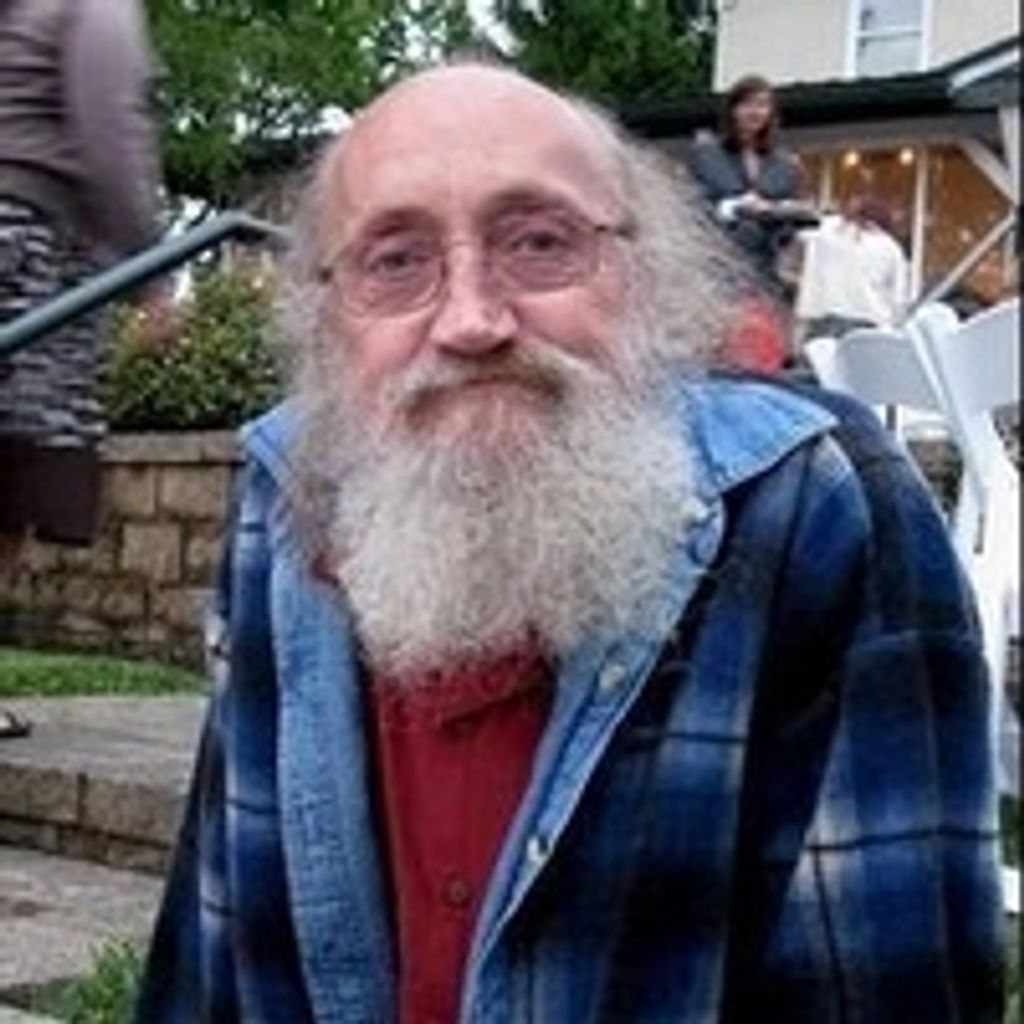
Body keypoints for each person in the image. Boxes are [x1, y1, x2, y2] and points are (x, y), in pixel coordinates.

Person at [136, 64, 1003, 1023]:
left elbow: (882, 988)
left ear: (645, 280)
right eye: (396, 260)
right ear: (328, 318)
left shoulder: (821, 506)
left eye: (539, 242)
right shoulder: (285, 497)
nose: (471, 321)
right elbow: (211, 956)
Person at [0, 0, 166, 567]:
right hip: (28, 248)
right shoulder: (95, 7)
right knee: (17, 470)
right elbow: (112, 140)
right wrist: (151, 273)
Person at [689, 74, 809, 280]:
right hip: (717, 268)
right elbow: (692, 209)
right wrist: (733, 208)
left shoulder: (787, 165)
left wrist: (779, 212)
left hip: (767, 272)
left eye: (762, 105)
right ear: (732, 110)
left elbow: (792, 226)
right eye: (746, 104)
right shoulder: (706, 154)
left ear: (771, 113)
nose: (754, 112)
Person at [796, 193, 910, 341]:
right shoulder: (890, 248)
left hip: (825, 320)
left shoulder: (827, 231)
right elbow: (899, 300)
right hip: (870, 324)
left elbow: (798, 234)